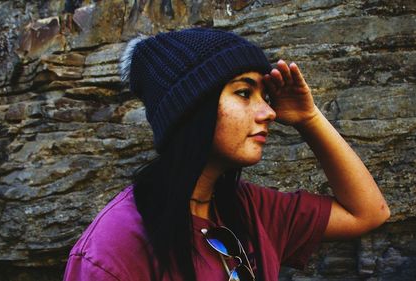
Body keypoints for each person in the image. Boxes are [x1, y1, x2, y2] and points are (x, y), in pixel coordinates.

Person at [63, 27, 390, 281]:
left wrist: (309, 118)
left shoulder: (252, 210)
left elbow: (368, 213)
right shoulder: (111, 252)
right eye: (244, 93)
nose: (269, 112)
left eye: (265, 96)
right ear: (192, 109)